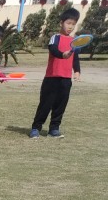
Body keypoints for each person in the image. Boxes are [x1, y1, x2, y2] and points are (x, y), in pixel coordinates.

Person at [29, 8, 82, 139]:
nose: (70, 27)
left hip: (66, 79)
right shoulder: (55, 38)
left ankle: (54, 129)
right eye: (68, 23)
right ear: (61, 23)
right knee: (45, 104)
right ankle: (36, 128)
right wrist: (62, 54)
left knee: (60, 105)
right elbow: (53, 49)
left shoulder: (74, 41)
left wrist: (77, 71)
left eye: (73, 24)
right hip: (51, 78)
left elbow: (75, 58)